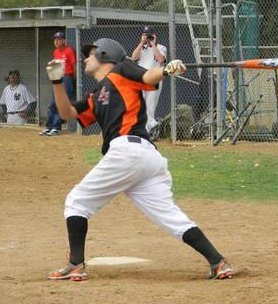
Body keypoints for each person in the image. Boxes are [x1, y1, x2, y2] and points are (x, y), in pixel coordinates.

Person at [46, 38, 234, 282]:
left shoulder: (121, 69)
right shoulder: (96, 93)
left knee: (76, 203)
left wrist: (166, 69)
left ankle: (75, 264)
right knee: (171, 217)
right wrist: (57, 81)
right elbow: (68, 113)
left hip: (128, 151)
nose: (85, 58)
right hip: (145, 160)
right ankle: (218, 262)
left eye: (90, 54)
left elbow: (147, 77)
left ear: (104, 54)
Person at [132, 26, 167, 139]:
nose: (147, 37)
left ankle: (151, 130)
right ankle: (147, 130)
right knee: (140, 107)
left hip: (154, 80)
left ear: (154, 35)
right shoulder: (141, 48)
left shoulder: (161, 47)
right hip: (141, 79)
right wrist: (141, 43)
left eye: (149, 35)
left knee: (150, 108)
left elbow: (161, 60)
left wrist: (153, 45)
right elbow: (134, 58)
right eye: (145, 35)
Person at [39, 32, 76, 136]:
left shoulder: (69, 51)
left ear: (64, 40)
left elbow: (74, 65)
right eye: (55, 39)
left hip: (67, 77)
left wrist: (73, 80)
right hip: (58, 78)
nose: (56, 41)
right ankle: (49, 126)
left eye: (59, 39)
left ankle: (56, 127)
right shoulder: (55, 52)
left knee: (61, 103)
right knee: (52, 103)